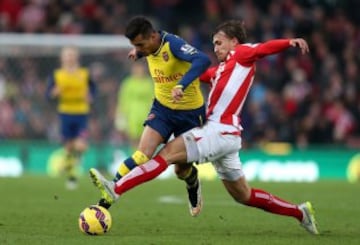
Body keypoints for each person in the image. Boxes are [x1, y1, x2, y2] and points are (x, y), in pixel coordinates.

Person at [89, 19, 319, 235]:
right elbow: (194, 72)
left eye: (219, 43)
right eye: (214, 44)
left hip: (218, 130)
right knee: (244, 195)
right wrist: (144, 54)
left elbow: (262, 49)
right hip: (227, 136)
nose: (216, 48)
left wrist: (288, 42)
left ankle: (115, 189)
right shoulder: (221, 70)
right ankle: (300, 212)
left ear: (234, 42)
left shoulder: (241, 53)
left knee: (165, 155)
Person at [90, 16, 211, 216]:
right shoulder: (147, 48)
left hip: (189, 114)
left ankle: (193, 181)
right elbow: (145, 50)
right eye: (135, 45)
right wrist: (138, 52)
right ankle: (110, 191)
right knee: (142, 154)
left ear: (153, 36)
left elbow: (203, 60)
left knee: (181, 171)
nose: (139, 49)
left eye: (140, 44)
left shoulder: (173, 44)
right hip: (162, 109)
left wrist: (182, 84)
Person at [46, 46, 96, 189]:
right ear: (62, 58)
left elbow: (93, 89)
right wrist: (53, 93)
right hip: (65, 113)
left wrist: (90, 96)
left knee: (81, 145)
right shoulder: (57, 75)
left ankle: (73, 172)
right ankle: (71, 175)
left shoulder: (84, 74)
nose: (69, 57)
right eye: (67, 55)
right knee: (68, 147)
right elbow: (48, 95)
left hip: (81, 113)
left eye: (72, 55)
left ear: (76, 57)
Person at [115, 61, 154, 149]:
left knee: (145, 140)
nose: (139, 70)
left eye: (140, 68)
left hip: (145, 115)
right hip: (131, 116)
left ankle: (143, 159)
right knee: (133, 140)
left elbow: (153, 100)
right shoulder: (128, 83)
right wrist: (120, 119)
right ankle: (134, 159)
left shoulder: (148, 83)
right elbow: (122, 101)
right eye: (136, 68)